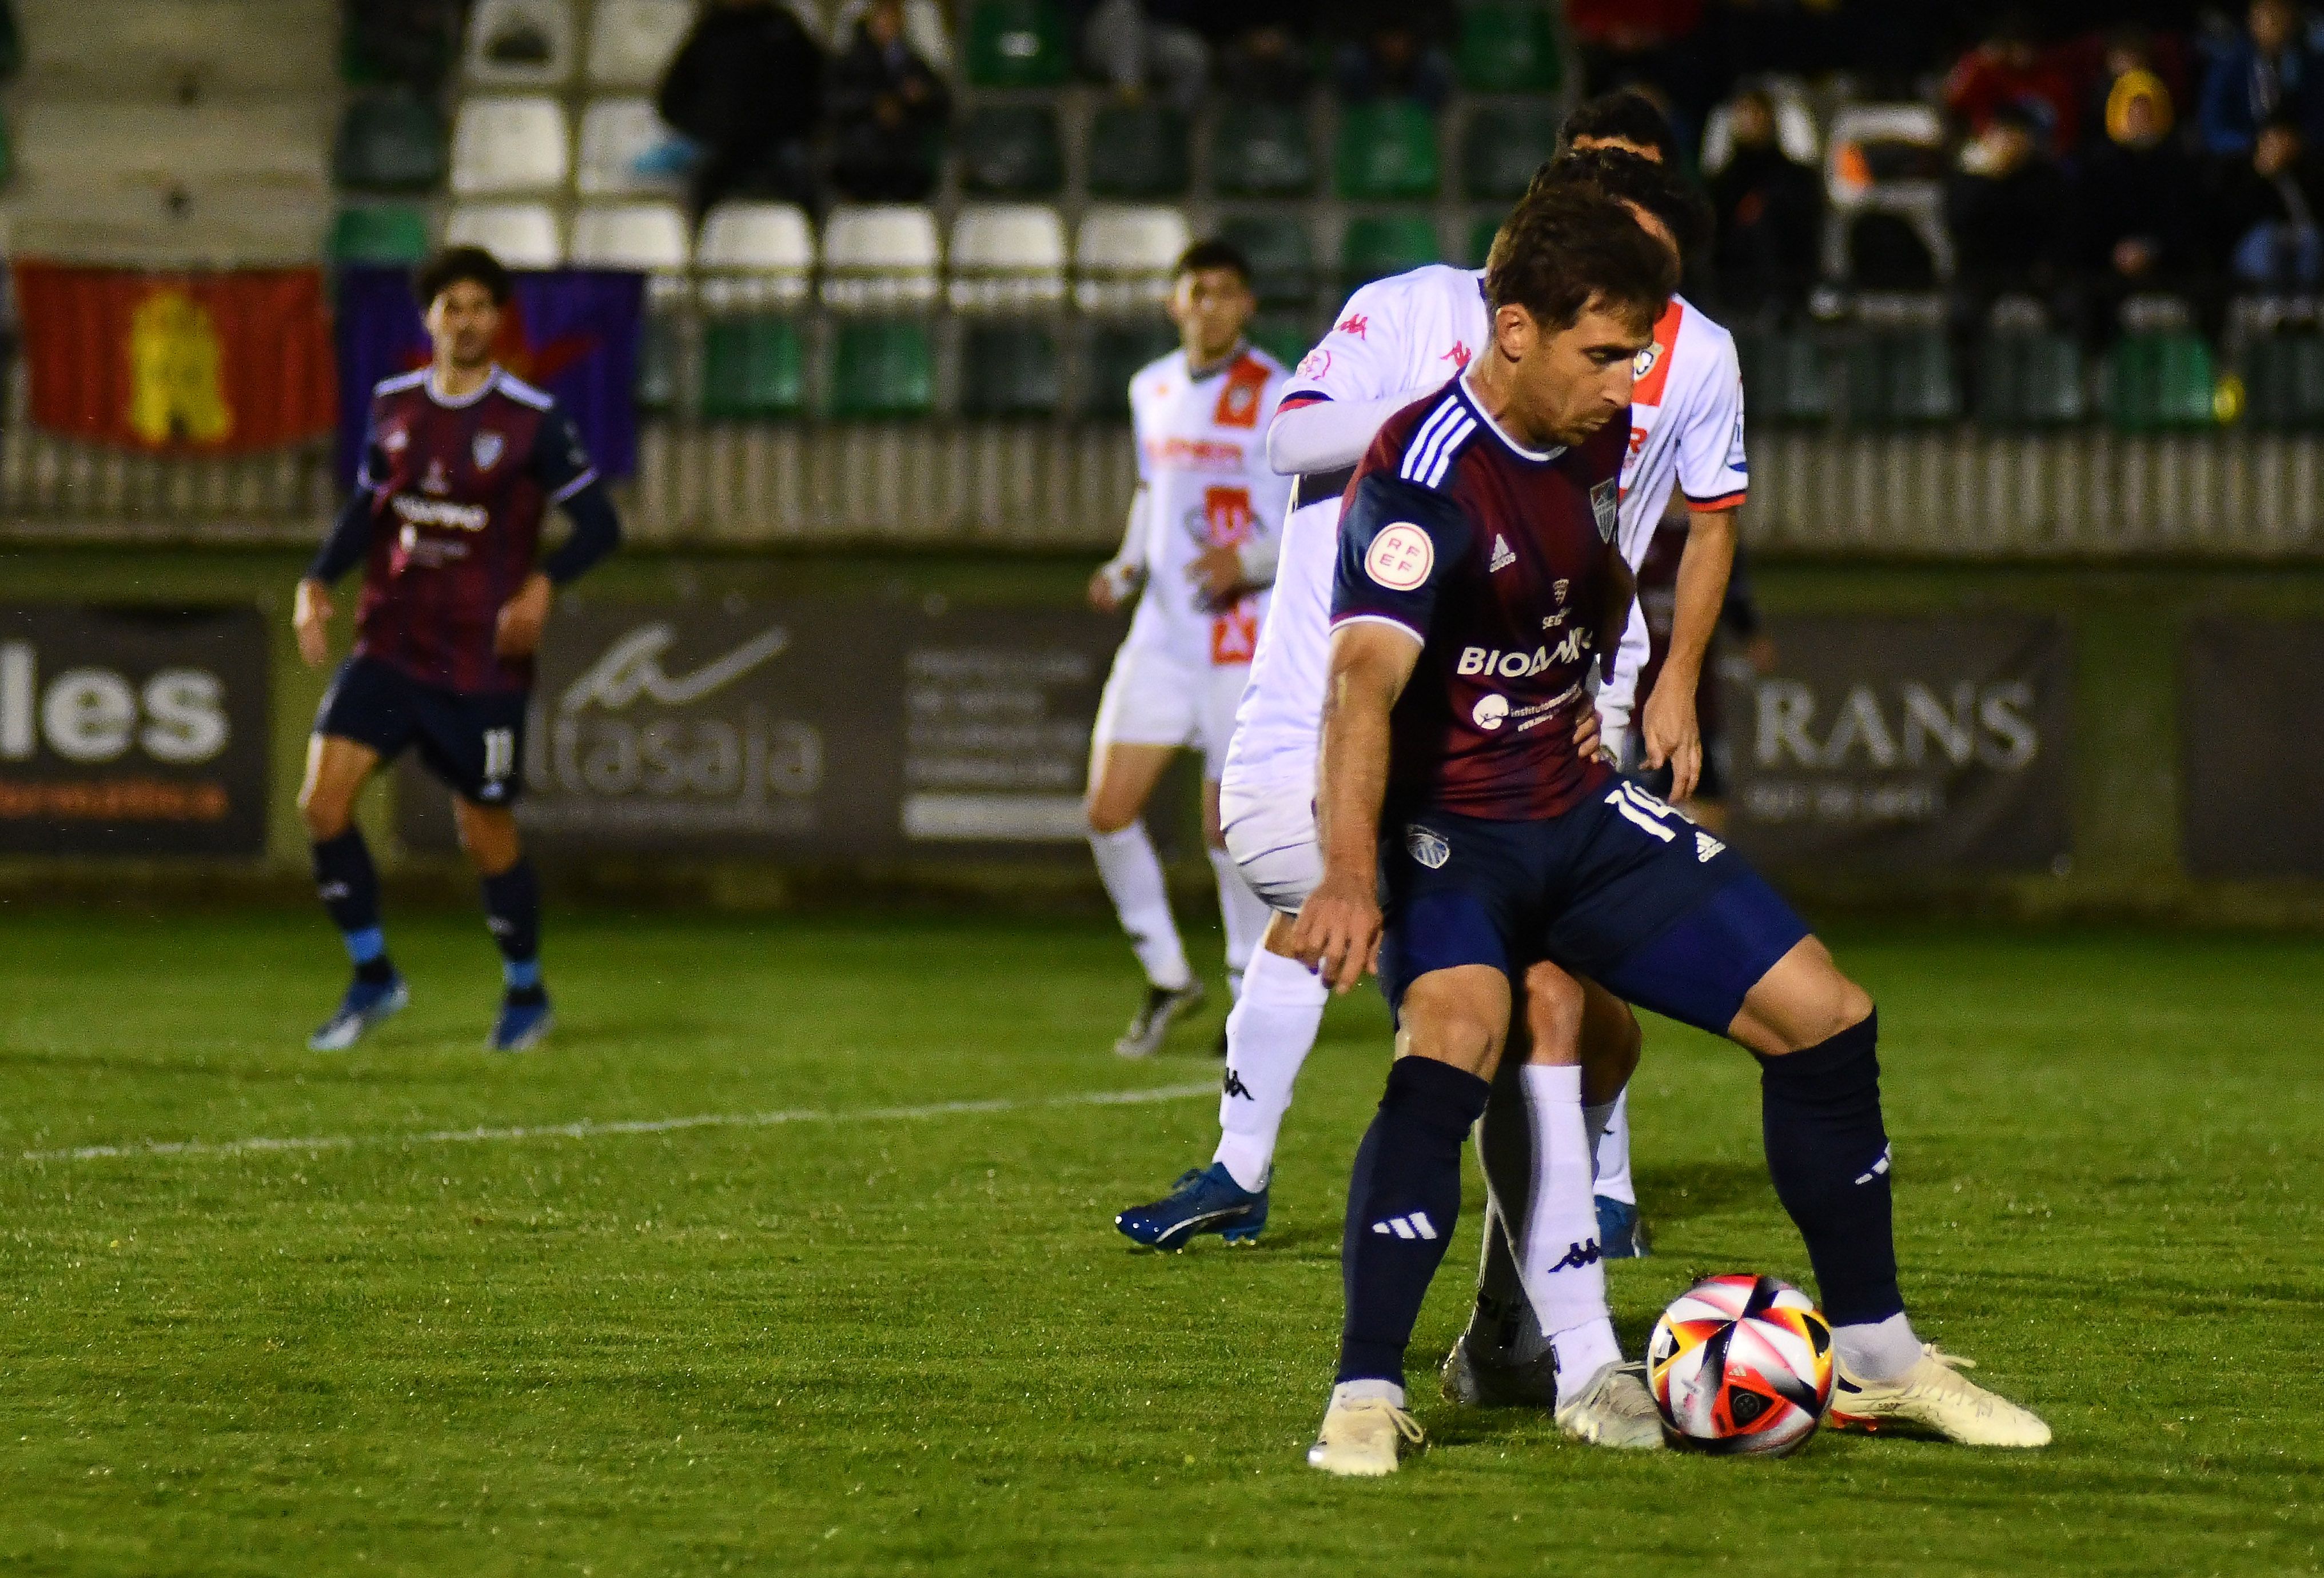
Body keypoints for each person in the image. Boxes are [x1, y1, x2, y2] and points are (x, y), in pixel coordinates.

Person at [1295, 183, 2051, 1476]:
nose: (1628, 379)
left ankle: (1872, 1351)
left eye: (1639, 352)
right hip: (1456, 841)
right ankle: (1362, 1391)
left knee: (1824, 1012)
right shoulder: (1421, 478)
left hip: (1575, 809)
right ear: (1515, 329)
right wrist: (1348, 879)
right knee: (1458, 1043)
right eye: (1604, 352)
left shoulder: (1589, 438)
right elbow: (1358, 686)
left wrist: (1602, 685)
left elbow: (1594, 566)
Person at [293, 247, 622, 1054]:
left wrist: (543, 585)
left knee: (485, 833)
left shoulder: (532, 417)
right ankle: (374, 977)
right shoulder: (394, 405)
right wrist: (318, 579)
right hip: (391, 639)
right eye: (452, 305)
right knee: (321, 803)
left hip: (480, 661)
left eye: (481, 306)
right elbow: (367, 507)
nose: (466, 319)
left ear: (498, 319)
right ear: (429, 317)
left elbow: (601, 527)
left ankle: (525, 991)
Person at [1085, 241, 1291, 1060]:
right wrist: (1126, 564)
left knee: (1223, 827)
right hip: (1163, 633)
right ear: (1175, 302)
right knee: (1106, 812)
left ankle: (1248, 990)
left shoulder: (1277, 392)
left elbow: (1313, 513)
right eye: (1196, 291)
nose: (1209, 305)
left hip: (1239, 638)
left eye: (1225, 292)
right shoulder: (1153, 388)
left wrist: (1243, 562)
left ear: (1247, 305)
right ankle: (1170, 975)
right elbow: (1152, 493)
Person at [655, 0, 823, 218]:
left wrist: (801, 127)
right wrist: (704, 127)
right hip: (720, 144)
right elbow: (672, 97)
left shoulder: (785, 28)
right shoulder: (710, 32)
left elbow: (820, 84)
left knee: (805, 176)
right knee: (698, 184)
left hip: (779, 142)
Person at [2072, 69, 2203, 332]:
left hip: (2170, 271)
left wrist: (2152, 250)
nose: (2141, 120)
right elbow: (2086, 226)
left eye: (2149, 112)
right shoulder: (2097, 166)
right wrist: (2116, 252)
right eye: (2133, 112)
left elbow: (2187, 223)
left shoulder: (2179, 166)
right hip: (2107, 274)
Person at [1708, 88, 1824, 314]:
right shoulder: (1724, 182)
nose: (1749, 121)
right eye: (1743, 113)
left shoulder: (1794, 176)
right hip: (1734, 286)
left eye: (1755, 113)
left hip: (1785, 284)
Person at [1947, 104, 2072, 309]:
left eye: (2017, 134)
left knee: (2072, 303)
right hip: (1983, 272)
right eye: (2003, 134)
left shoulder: (2046, 178)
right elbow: (1961, 227)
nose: (2009, 143)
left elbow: (2056, 229)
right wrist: (1992, 178)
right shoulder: (1969, 177)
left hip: (2034, 270)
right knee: (1962, 312)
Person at [827, 0, 952, 203]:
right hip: (859, 161)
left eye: (895, 17)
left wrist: (921, 98)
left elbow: (943, 103)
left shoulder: (912, 64)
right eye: (883, 17)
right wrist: (874, 104)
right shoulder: (849, 62)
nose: (889, 24)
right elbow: (833, 101)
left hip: (904, 163)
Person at [2199, 0, 2324, 158]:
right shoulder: (2228, 68)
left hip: (2301, 158)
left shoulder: (2310, 64)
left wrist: (2298, 140)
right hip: (2243, 161)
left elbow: (2318, 118)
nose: (2275, 22)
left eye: (2282, 13)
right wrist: (2254, 144)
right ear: (2252, 21)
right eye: (2269, 14)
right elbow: (2213, 131)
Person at [2215, 115, 2324, 291]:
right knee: (2266, 236)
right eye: (2273, 139)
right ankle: (2268, 302)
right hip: (2253, 249)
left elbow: (2309, 218)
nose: (2279, 146)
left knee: (2312, 237)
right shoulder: (2241, 172)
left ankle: (2307, 304)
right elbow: (2234, 223)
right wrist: (2263, 177)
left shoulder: (2310, 172)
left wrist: (2288, 177)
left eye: (2284, 138)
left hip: (2297, 245)